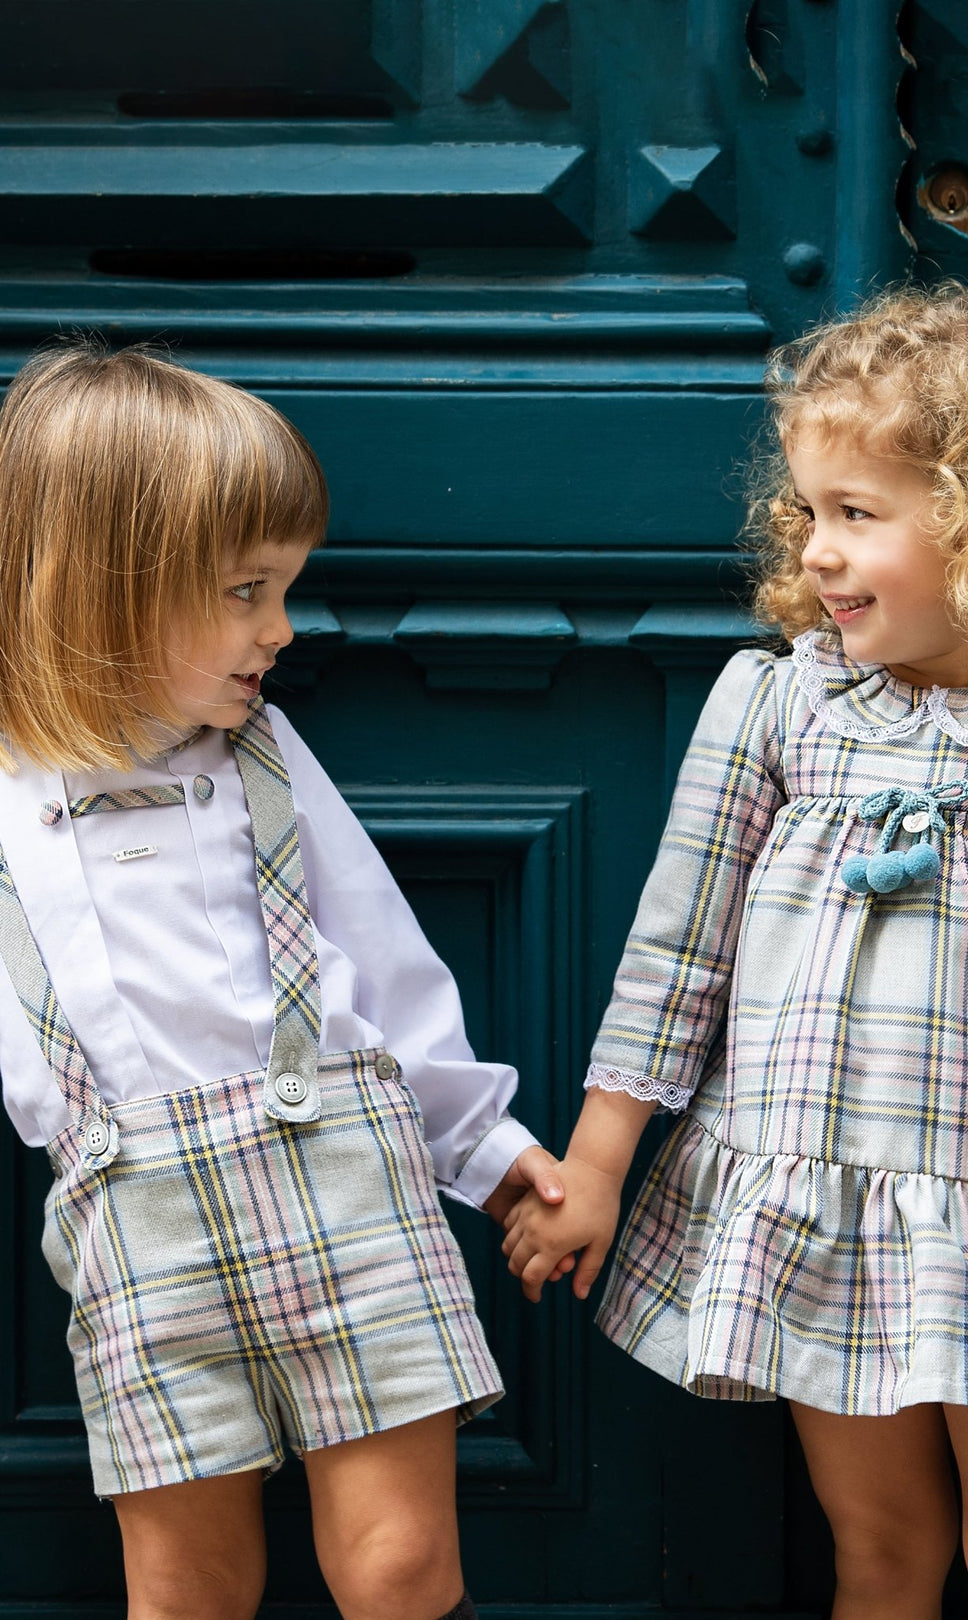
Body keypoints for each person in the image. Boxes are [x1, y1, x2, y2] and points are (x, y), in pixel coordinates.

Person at [502, 284, 968, 1619]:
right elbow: (676, 953)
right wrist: (597, 1168)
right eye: (809, 511)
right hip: (824, 1206)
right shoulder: (777, 704)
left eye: (858, 514)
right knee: (875, 1544)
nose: (817, 550)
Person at [0, 340, 567, 1620]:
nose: (283, 628)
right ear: (103, 589)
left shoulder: (260, 756)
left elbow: (385, 963)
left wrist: (485, 1150)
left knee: (399, 1563)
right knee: (184, 1584)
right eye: (246, 591)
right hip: (134, 1222)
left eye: (285, 589)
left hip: (344, 1180)